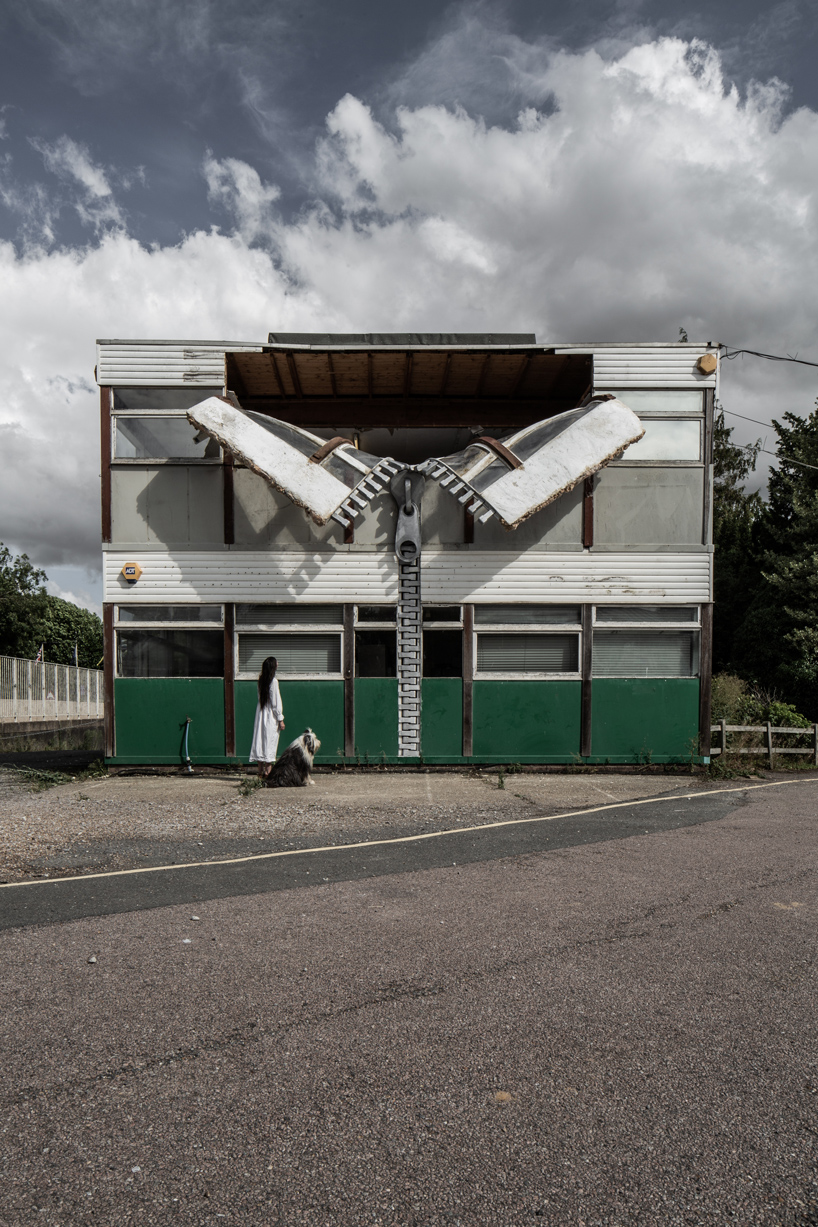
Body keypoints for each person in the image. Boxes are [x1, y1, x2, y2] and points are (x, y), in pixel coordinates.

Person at [249, 656, 285, 778]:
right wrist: (280, 718)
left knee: (260, 739)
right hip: (270, 716)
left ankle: (260, 770)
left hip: (260, 713)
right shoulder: (273, 681)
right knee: (270, 741)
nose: (278, 663)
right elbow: (275, 702)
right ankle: (268, 771)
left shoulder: (261, 680)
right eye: (276, 662)